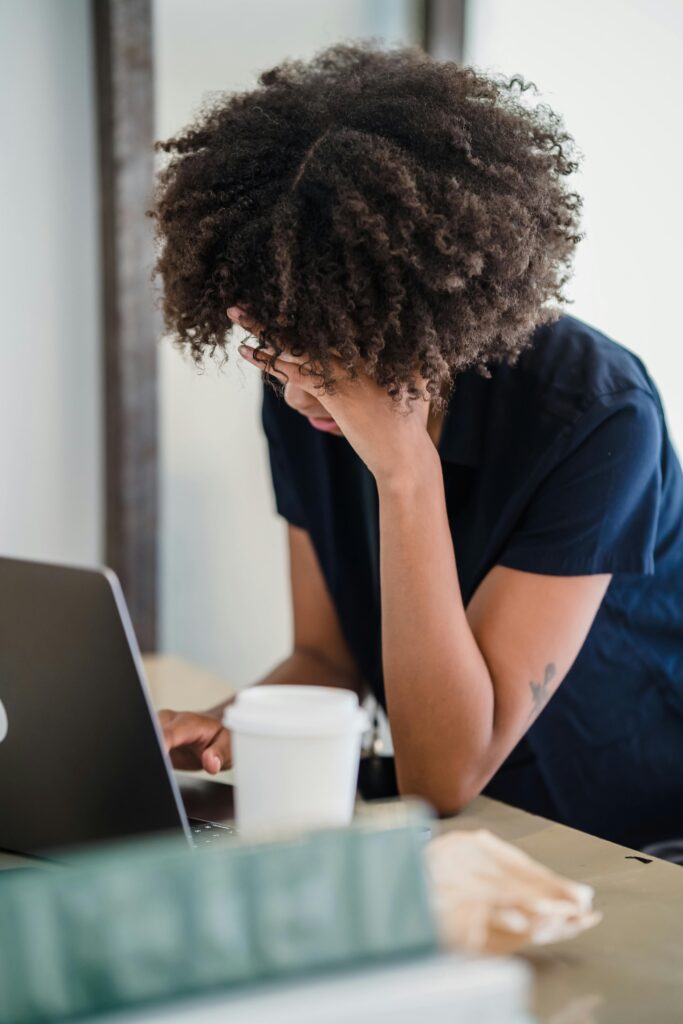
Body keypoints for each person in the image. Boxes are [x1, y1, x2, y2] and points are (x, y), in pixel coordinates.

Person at [149, 43, 683, 851]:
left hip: (618, 837)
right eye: (268, 352)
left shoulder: (597, 414)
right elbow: (327, 657)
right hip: (458, 838)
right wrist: (224, 726)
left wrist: (403, 472)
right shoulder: (304, 395)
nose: (296, 394)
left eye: (323, 363)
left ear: (416, 315)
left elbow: (444, 772)